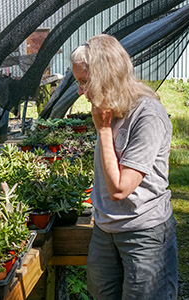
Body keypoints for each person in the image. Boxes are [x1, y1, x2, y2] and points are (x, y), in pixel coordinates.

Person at [70, 34, 178, 300]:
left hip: (143, 231)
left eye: (85, 82)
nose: (80, 92)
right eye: (77, 82)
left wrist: (104, 130)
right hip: (106, 230)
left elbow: (120, 189)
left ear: (107, 75)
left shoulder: (148, 114)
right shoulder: (107, 107)